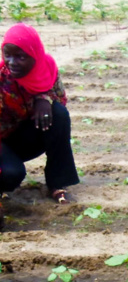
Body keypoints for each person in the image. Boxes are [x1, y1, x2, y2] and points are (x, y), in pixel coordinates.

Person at [0, 23, 79, 222]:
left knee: (58, 114)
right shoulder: (2, 79)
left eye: (21, 56)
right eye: (7, 55)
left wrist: (44, 98)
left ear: (35, 55)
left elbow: (59, 99)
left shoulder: (47, 69)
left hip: (23, 136)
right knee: (11, 174)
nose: (12, 62)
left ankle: (57, 182)